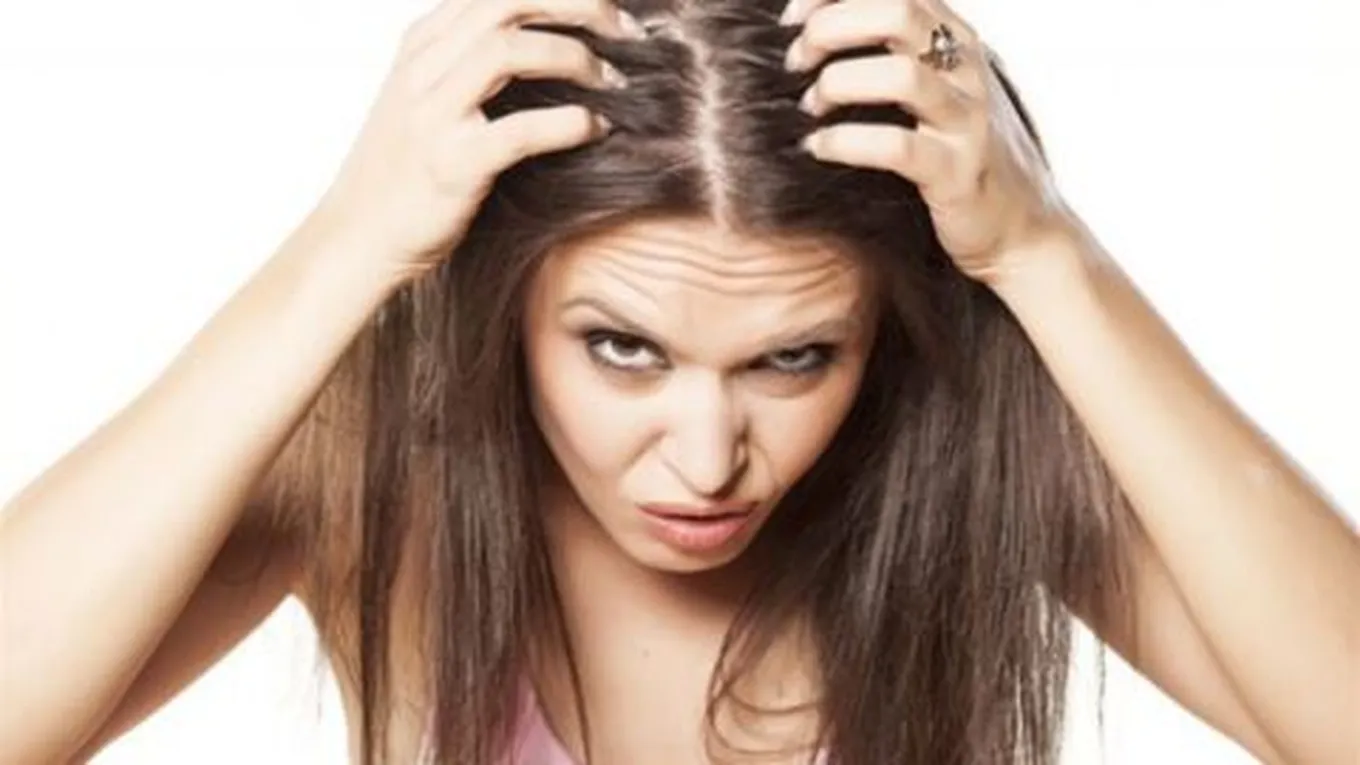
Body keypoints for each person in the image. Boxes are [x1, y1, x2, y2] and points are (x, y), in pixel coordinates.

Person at [1, 0, 1355, 763]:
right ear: (509, 306)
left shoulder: (960, 458)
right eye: (622, 349)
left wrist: (1046, 254)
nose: (707, 460)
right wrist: (345, 248)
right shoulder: (386, 477)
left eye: (794, 357)